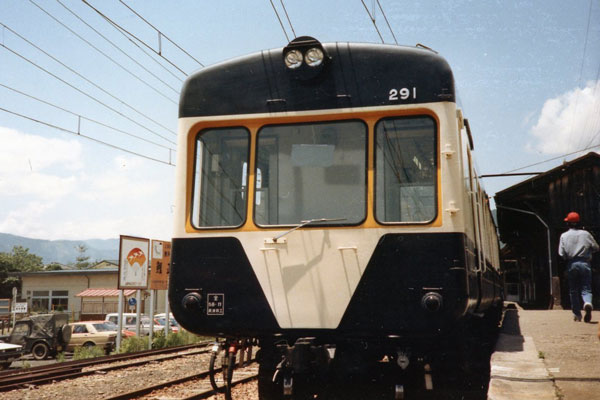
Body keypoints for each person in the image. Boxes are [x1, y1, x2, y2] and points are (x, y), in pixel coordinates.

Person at [558, 211, 599, 322]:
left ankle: (577, 315)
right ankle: (587, 302)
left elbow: (561, 253)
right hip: (585, 263)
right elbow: (596, 247)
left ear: (568, 224)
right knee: (586, 287)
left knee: (573, 290)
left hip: (572, 264)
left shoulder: (564, 236)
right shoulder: (586, 234)